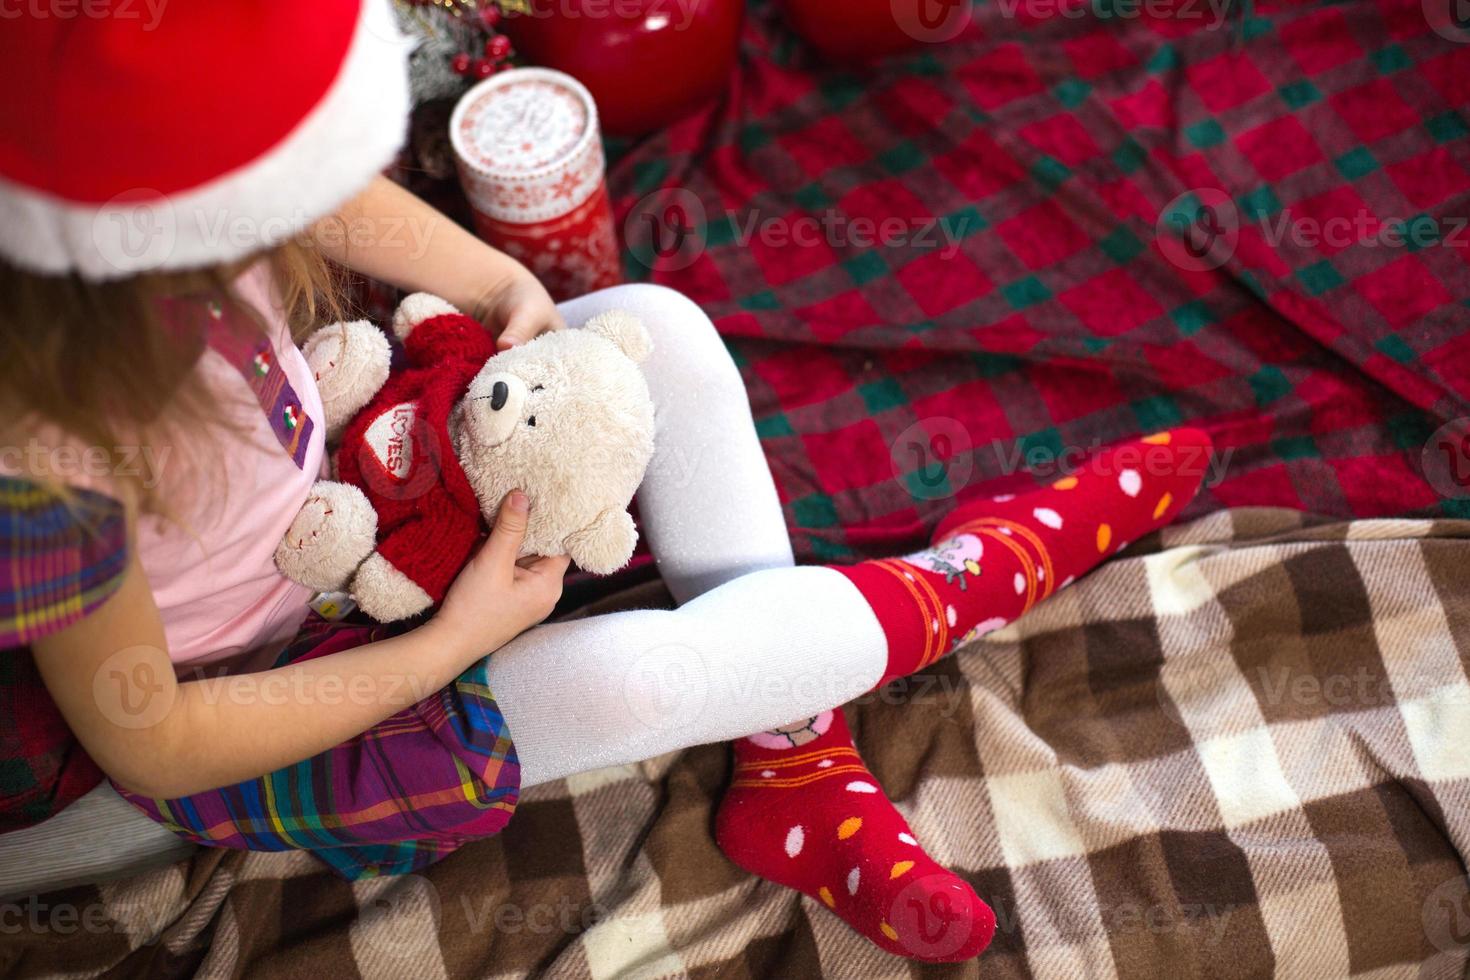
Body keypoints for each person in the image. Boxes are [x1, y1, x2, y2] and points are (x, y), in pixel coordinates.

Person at [0, 0, 1212, 961]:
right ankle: (982, 575)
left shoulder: (167, 208)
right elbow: (153, 738)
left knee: (656, 325)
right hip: (279, 688)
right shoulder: (39, 456)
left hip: (367, 476)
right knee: (642, 682)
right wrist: (452, 641)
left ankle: (793, 763)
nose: (281, 220)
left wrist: (497, 286)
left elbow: (321, 200)